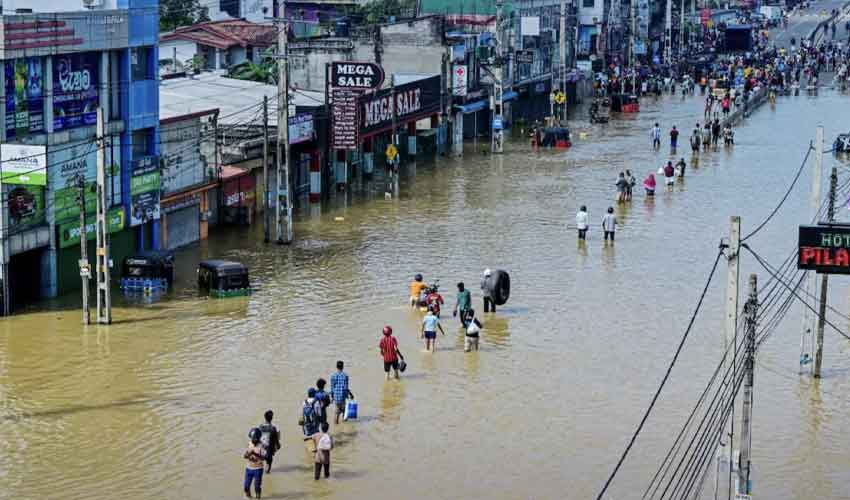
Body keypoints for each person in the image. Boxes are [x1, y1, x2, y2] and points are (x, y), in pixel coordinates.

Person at [244, 428, 267, 499]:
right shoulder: (249, 444)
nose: (252, 440)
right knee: (246, 487)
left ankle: (258, 497)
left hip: (258, 469)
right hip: (248, 468)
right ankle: (248, 497)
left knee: (257, 486)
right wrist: (248, 455)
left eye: (253, 439)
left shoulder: (262, 446)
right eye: (251, 438)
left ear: (257, 439)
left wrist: (254, 453)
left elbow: (263, 458)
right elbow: (245, 456)